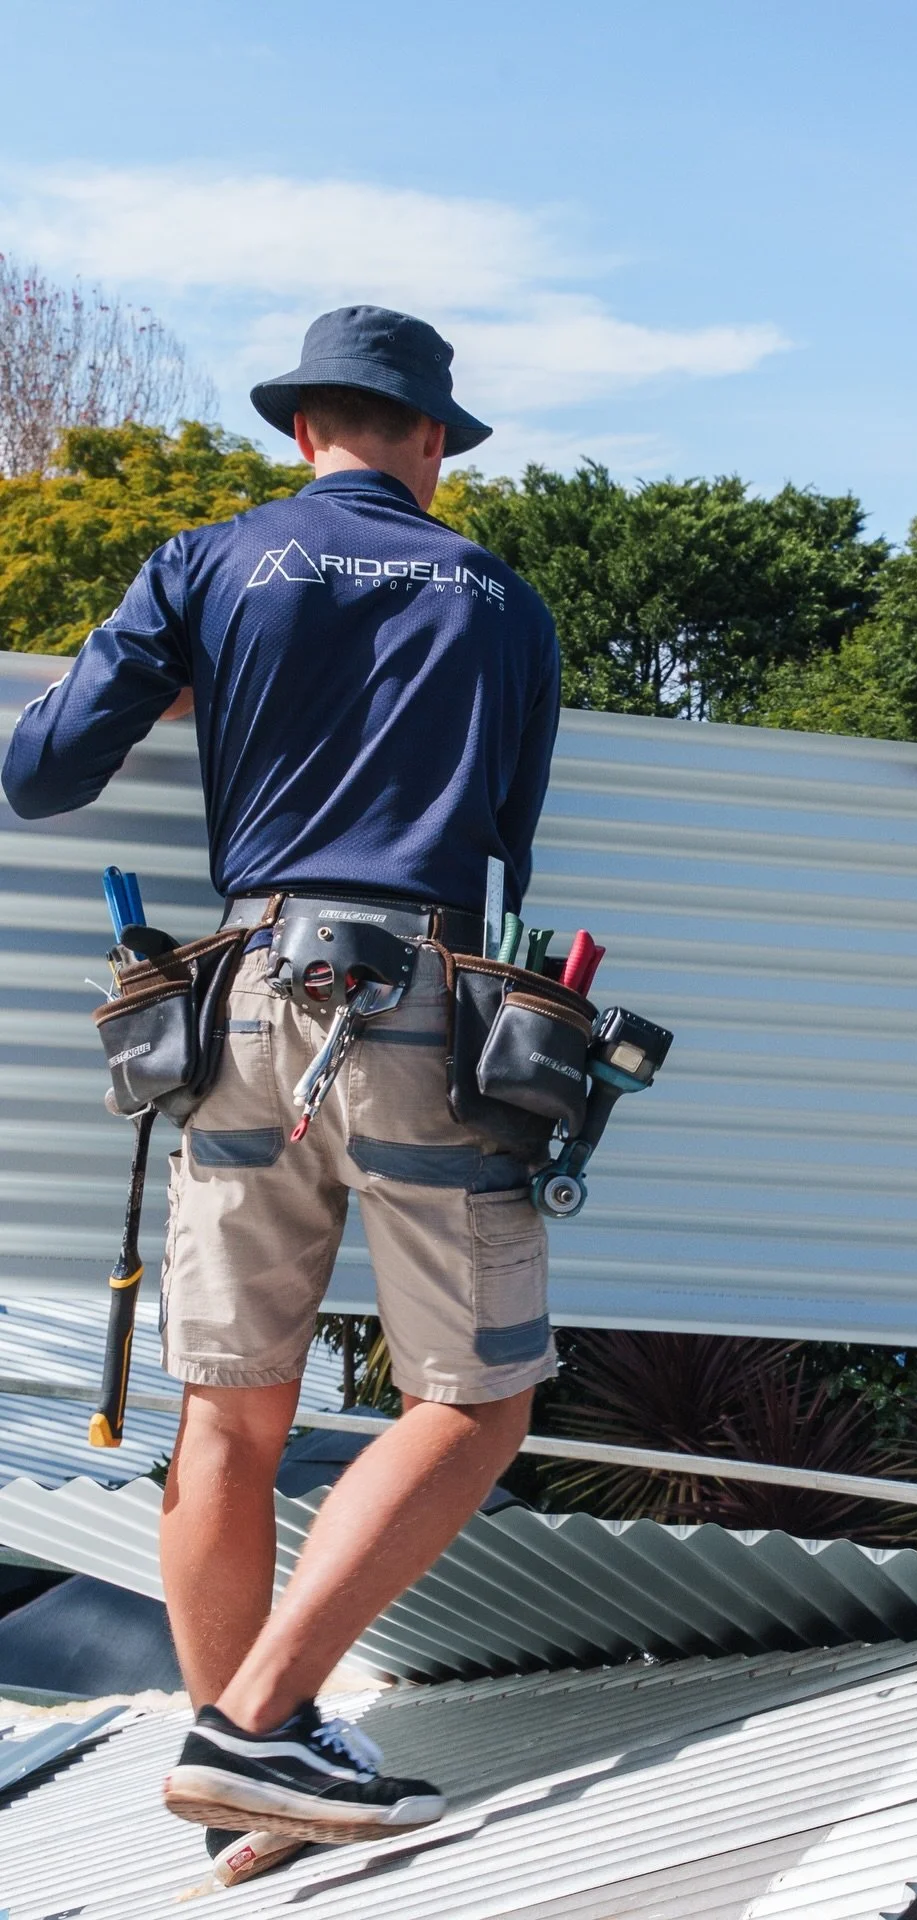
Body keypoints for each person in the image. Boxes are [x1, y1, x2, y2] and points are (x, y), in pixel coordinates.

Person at [2, 307, 562, 1884]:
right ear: (433, 444)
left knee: (229, 1416)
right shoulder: (501, 600)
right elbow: (507, 829)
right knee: (478, 1397)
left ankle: (244, 1750)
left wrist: (216, 691)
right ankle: (255, 1731)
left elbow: (39, 774)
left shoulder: (207, 565)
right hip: (419, 1003)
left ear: (300, 430)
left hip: (242, 1002)